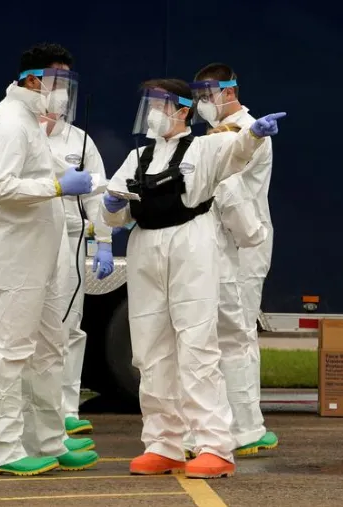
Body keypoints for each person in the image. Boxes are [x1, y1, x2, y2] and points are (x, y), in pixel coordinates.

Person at [100, 78, 285, 479]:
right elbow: (113, 214)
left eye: (159, 105)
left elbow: (236, 151)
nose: (152, 113)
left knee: (197, 346)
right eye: (149, 105)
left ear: (182, 111)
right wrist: (112, 206)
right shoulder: (138, 158)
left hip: (191, 247)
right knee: (150, 350)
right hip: (146, 249)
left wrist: (254, 133)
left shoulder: (204, 149)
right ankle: (163, 443)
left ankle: (214, 444)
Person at [0, 42, 100, 477]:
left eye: (66, 82)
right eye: (57, 81)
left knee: (49, 348)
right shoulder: (8, 124)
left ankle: (48, 440)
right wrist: (58, 188)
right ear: (32, 79)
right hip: (14, 256)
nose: (62, 92)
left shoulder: (29, 123)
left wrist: (89, 188)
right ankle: (0, 450)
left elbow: (41, 174)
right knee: (9, 351)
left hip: (38, 256)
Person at [188, 63, 278, 456]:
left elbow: (227, 188)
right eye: (198, 95)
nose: (202, 103)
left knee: (238, 333)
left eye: (208, 94)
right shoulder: (221, 132)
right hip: (223, 243)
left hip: (243, 243)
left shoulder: (249, 132)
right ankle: (232, 421)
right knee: (226, 333)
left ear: (229, 91)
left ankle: (246, 425)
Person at [40, 111, 115, 436]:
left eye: (62, 88)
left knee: (69, 325)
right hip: (31, 237)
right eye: (50, 87)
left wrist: (104, 241)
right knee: (29, 327)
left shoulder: (80, 140)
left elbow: (97, 194)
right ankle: (29, 409)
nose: (56, 96)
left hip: (71, 238)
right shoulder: (19, 133)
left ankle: (67, 409)